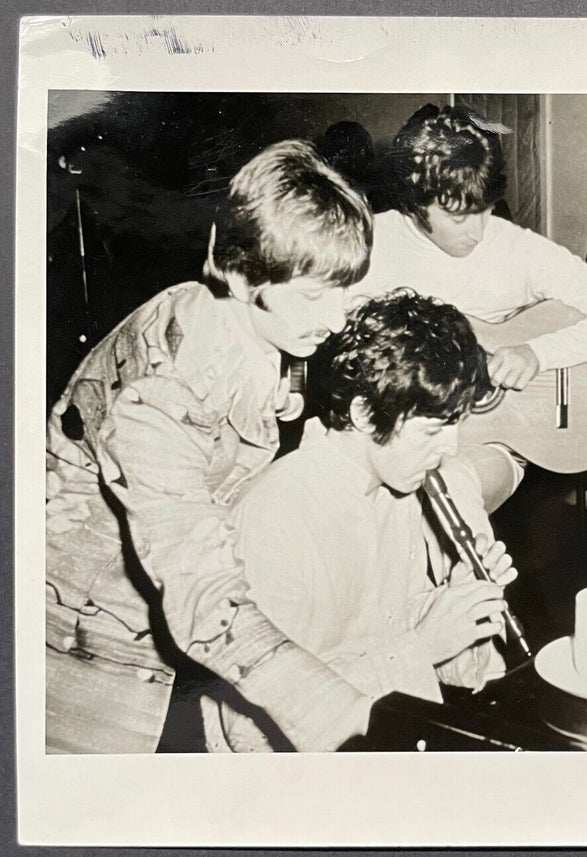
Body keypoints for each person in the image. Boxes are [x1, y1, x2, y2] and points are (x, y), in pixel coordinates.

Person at [45, 140, 380, 753]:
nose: (336, 320)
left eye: (343, 292)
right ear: (241, 272)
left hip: (151, 635)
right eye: (315, 297)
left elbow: (273, 355)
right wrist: (335, 708)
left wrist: (289, 386)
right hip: (75, 645)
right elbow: (196, 574)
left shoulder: (247, 317)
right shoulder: (164, 392)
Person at [204, 290, 517, 751]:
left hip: (374, 739)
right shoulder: (275, 516)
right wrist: (421, 648)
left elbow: (392, 630)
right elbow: (250, 733)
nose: (451, 447)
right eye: (434, 428)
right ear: (366, 415)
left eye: (455, 425)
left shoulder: (395, 491)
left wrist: (460, 605)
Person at [354, 103, 587, 511]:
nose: (478, 233)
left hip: (486, 443)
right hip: (384, 435)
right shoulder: (366, 244)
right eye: (458, 218)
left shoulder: (514, 247)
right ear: (415, 200)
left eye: (486, 211)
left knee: (443, 501)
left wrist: (537, 353)